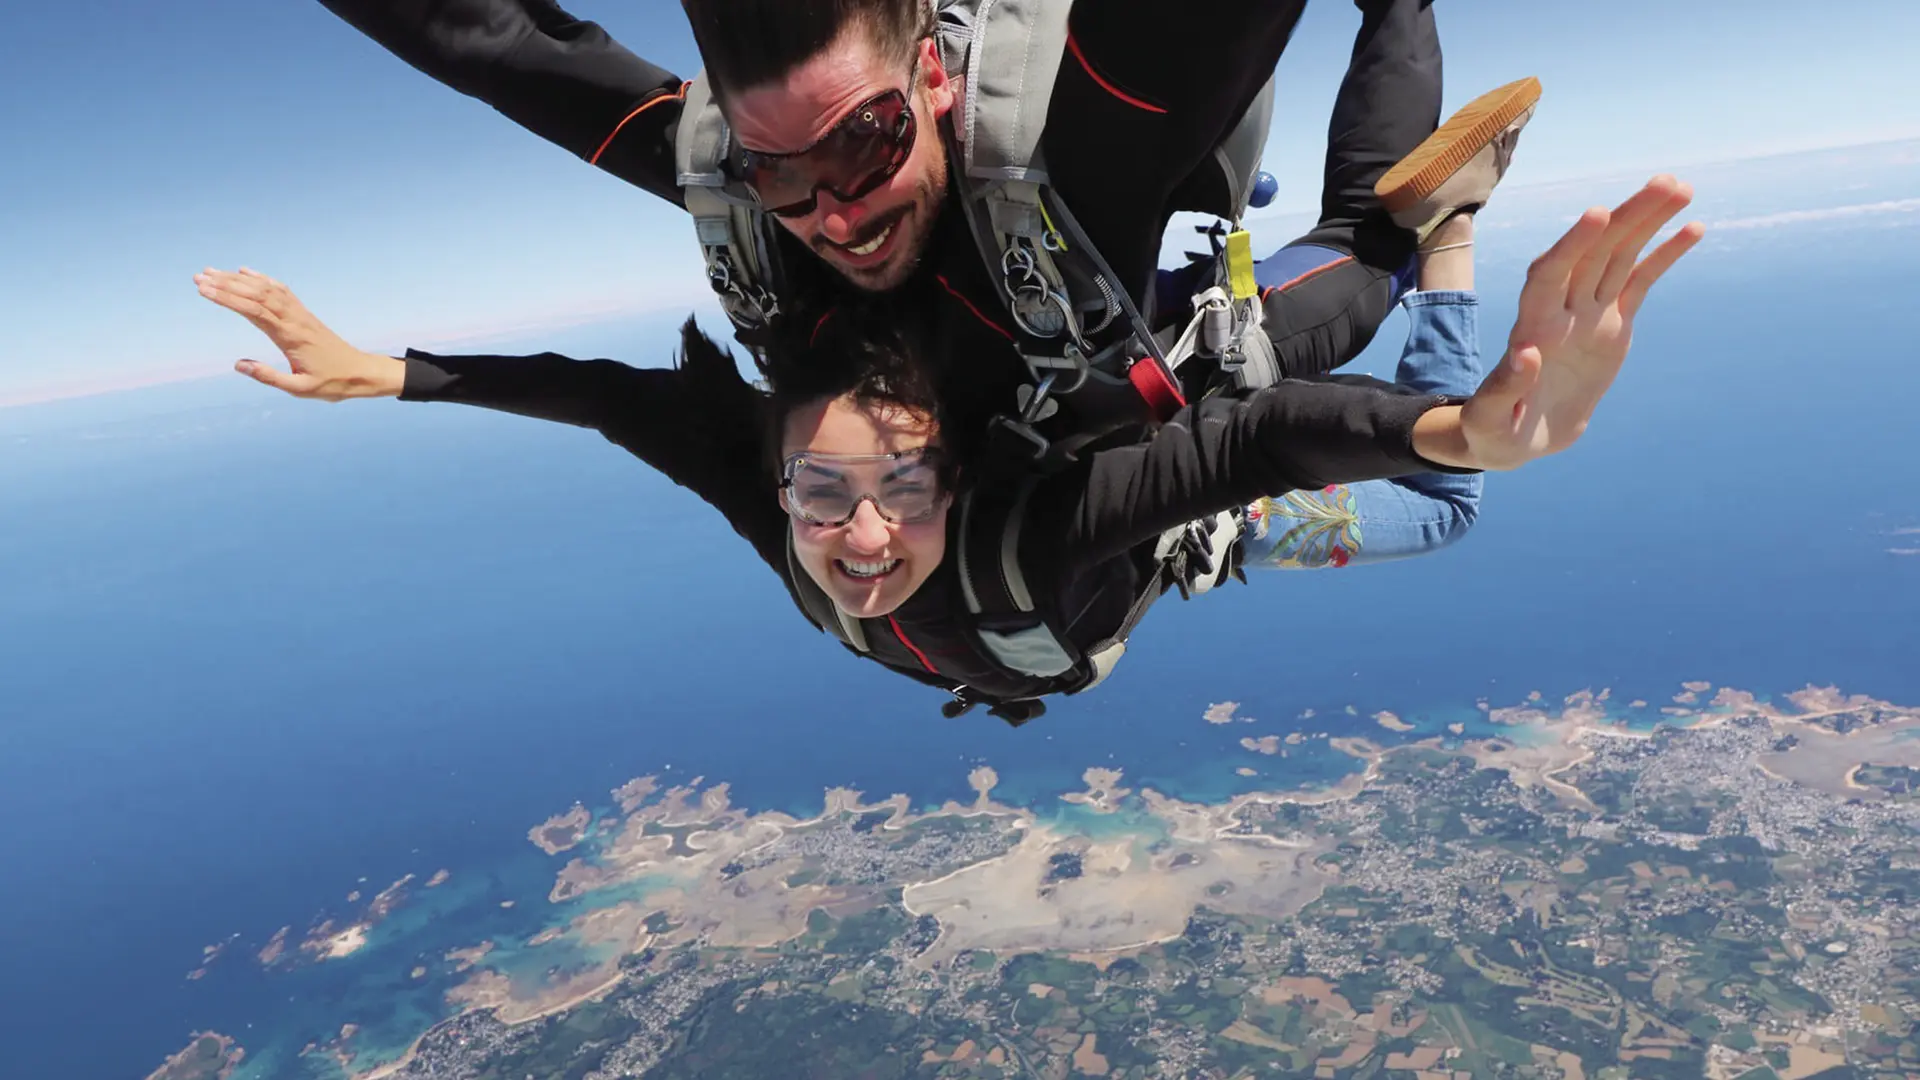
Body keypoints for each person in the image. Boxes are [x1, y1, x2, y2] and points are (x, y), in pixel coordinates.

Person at [194, 176, 1705, 722]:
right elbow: (612, 394)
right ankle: (1393, 249)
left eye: (894, 490)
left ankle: (1436, 250)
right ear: (777, 482)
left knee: (1435, 492)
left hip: (1164, 531)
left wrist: (1465, 427)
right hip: (1106, 540)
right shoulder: (771, 497)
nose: (857, 537)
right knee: (1330, 305)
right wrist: (388, 374)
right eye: (824, 496)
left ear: (955, 481)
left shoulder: (1035, 537)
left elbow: (1260, 453)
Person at [311, 0, 1479, 464]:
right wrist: (395, 375)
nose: (835, 212)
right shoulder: (744, 195)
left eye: (866, 142)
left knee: (1372, 259)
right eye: (779, 170)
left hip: (1131, 396)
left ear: (933, 80)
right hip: (1055, 415)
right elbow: (483, 44)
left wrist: (1457, 435)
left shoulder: (1065, 150)